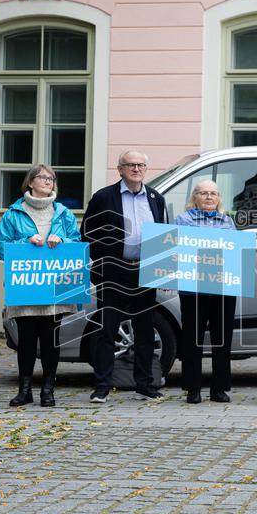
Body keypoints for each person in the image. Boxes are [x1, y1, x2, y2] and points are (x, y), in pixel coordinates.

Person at [81, 150, 167, 403]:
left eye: (140, 165)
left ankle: (144, 385)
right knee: (107, 330)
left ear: (146, 169)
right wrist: (103, 263)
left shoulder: (156, 198)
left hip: (146, 270)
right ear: (120, 169)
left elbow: (165, 235)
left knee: (145, 330)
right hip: (114, 271)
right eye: (130, 165)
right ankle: (102, 386)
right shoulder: (103, 197)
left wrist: (163, 271)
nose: (136, 169)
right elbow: (87, 233)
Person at [0, 164, 81, 408]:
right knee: (26, 340)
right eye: (42, 177)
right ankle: (25, 390)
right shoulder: (13, 213)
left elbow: (77, 243)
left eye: (51, 178)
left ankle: (48, 390)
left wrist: (61, 240)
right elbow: (1, 248)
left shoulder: (63, 213)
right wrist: (25, 241)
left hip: (55, 286)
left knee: (51, 339)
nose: (48, 181)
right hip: (25, 286)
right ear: (30, 182)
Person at [174, 180, 237, 404]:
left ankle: (219, 389)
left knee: (222, 339)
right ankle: (193, 389)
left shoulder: (227, 221)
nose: (209, 197)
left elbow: (235, 252)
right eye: (204, 193)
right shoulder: (183, 220)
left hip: (223, 288)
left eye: (213, 193)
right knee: (192, 339)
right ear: (195, 197)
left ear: (219, 198)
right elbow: (174, 250)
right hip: (193, 289)